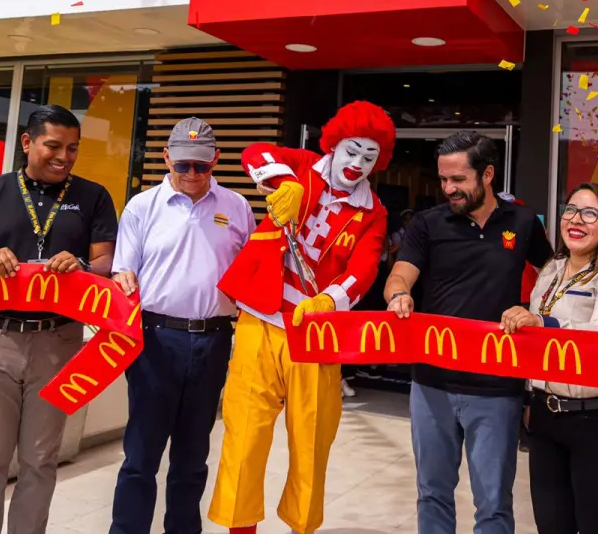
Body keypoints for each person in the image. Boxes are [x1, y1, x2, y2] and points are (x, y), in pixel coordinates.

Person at [208, 101, 394, 534]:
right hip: (260, 318)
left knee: (311, 442)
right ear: (335, 143)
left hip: (315, 335)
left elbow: (365, 268)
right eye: (352, 150)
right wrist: (285, 183)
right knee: (244, 436)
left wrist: (331, 300)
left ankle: (302, 528)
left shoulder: (374, 211)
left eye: (369, 157)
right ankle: (240, 529)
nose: (357, 163)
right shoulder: (304, 165)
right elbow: (254, 152)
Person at [384, 131, 554, 534]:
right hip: (432, 383)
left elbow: (554, 280)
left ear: (488, 174)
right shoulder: (428, 223)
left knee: (494, 502)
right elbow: (400, 274)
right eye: (444, 180)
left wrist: (534, 314)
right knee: (432, 492)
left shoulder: (524, 223)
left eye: (458, 180)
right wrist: (398, 295)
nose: (448, 189)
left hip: (497, 386)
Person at [0, 105, 118, 534]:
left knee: (39, 459)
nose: (63, 156)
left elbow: (106, 262)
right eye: (53, 146)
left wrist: (83, 264)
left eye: (72, 148)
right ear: (28, 143)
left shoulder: (93, 195)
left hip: (59, 340)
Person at [108, 118, 255, 534]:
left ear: (216, 161)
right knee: (141, 455)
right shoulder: (142, 206)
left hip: (213, 339)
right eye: (184, 165)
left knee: (193, 456)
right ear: (166, 157)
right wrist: (123, 280)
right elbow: (124, 269)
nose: (192, 175)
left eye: (202, 167)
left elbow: (253, 274)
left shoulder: (237, 207)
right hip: (154, 338)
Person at [499, 182, 598, 534]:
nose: (576, 219)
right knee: (551, 527)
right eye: (570, 210)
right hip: (548, 422)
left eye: (590, 213)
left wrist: (545, 323)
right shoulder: (552, 269)